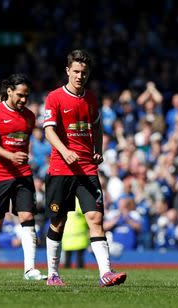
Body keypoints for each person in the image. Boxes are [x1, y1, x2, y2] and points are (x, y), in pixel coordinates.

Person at [42, 49, 126, 287]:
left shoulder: (91, 98)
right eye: (76, 71)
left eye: (84, 72)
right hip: (61, 168)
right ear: (68, 71)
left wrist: (97, 148)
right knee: (58, 221)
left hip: (87, 168)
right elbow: (48, 130)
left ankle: (106, 273)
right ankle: (53, 274)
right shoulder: (55, 97)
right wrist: (64, 150)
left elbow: (97, 126)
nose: (80, 76)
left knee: (95, 217)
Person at [0, 74, 47, 281]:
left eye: (26, 96)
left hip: (23, 175)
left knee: (27, 217)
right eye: (20, 95)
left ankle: (29, 269)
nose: (23, 100)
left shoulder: (30, 116)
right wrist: (11, 156)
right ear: (9, 91)